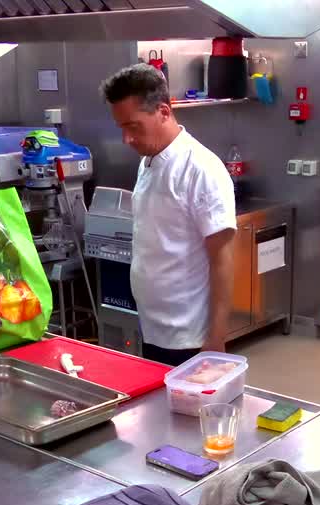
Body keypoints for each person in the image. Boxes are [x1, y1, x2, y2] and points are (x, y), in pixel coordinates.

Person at [100, 64, 236, 366]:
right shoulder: (149, 160)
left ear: (163, 111)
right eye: (121, 128)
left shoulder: (200, 169)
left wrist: (216, 338)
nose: (126, 139)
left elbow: (222, 258)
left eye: (133, 127)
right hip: (152, 325)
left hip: (189, 335)